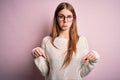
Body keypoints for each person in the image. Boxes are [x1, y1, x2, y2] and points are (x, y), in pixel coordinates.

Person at [32, 2, 100, 80]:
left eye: (69, 17)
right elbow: (45, 72)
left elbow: (82, 73)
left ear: (73, 19)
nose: (65, 21)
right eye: (61, 17)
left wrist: (93, 60)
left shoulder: (82, 41)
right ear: (56, 18)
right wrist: (37, 55)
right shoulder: (47, 41)